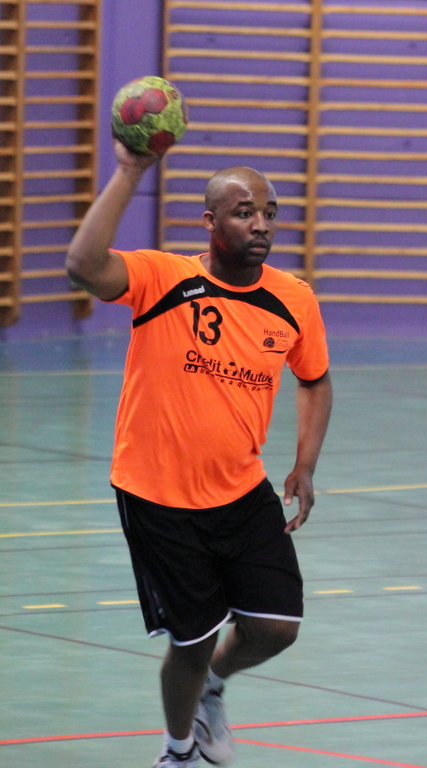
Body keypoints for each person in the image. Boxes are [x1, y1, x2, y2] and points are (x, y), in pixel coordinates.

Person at [66, 140, 332, 767]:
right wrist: (130, 170)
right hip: (156, 495)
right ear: (209, 221)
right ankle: (179, 751)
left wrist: (305, 463)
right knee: (191, 639)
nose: (260, 224)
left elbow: (315, 379)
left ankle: (213, 684)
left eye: (269, 213)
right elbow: (82, 265)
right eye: (244, 212)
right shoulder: (163, 278)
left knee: (276, 626)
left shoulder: (294, 298)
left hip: (240, 488)